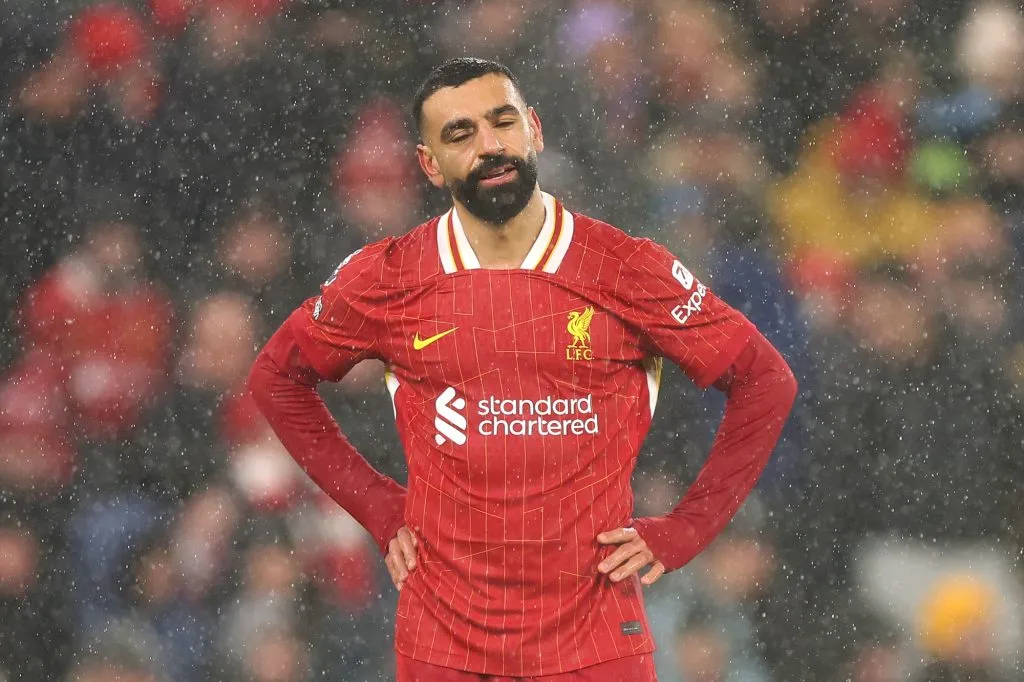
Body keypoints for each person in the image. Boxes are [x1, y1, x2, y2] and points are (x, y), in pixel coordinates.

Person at [248, 58, 797, 682]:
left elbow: (764, 380)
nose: (489, 145)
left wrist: (687, 529)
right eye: (460, 134)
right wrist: (377, 505)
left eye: (502, 122)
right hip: (444, 646)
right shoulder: (390, 276)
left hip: (595, 646)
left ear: (534, 128)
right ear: (429, 164)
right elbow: (276, 378)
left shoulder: (624, 267)